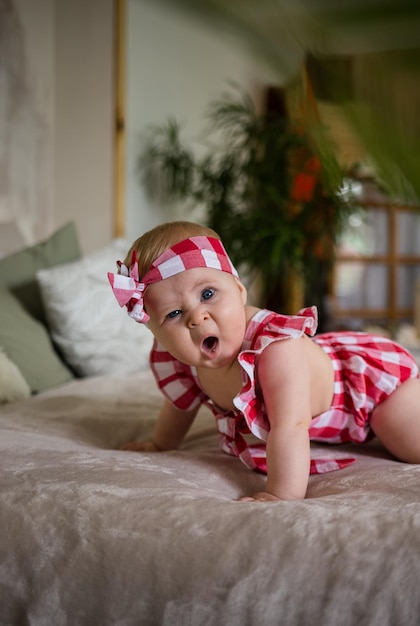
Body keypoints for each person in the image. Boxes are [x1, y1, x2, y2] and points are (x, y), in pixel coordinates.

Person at [108, 221, 420, 502]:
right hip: (341, 413)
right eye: (174, 314)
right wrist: (161, 444)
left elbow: (291, 425)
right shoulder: (182, 361)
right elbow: (180, 405)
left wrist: (280, 493)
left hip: (368, 391)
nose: (197, 317)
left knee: (404, 438)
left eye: (207, 294)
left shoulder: (275, 349)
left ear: (239, 290)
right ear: (157, 334)